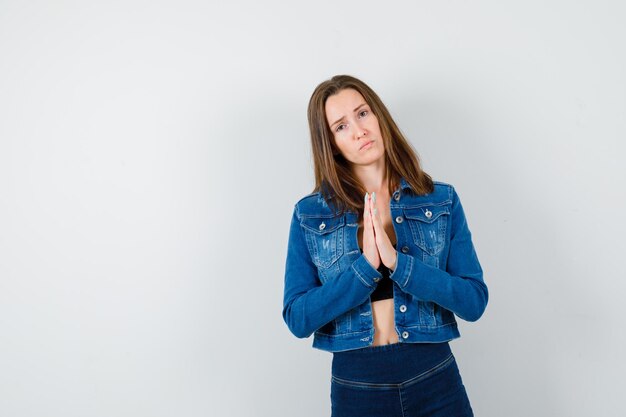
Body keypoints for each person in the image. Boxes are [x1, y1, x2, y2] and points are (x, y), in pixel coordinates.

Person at [282, 74, 488, 417]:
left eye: (362, 114)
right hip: (357, 386)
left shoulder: (439, 200)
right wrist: (364, 269)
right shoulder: (309, 214)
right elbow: (298, 318)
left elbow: (473, 301)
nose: (359, 130)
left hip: (434, 377)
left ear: (378, 116)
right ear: (331, 143)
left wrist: (399, 264)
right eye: (341, 126)